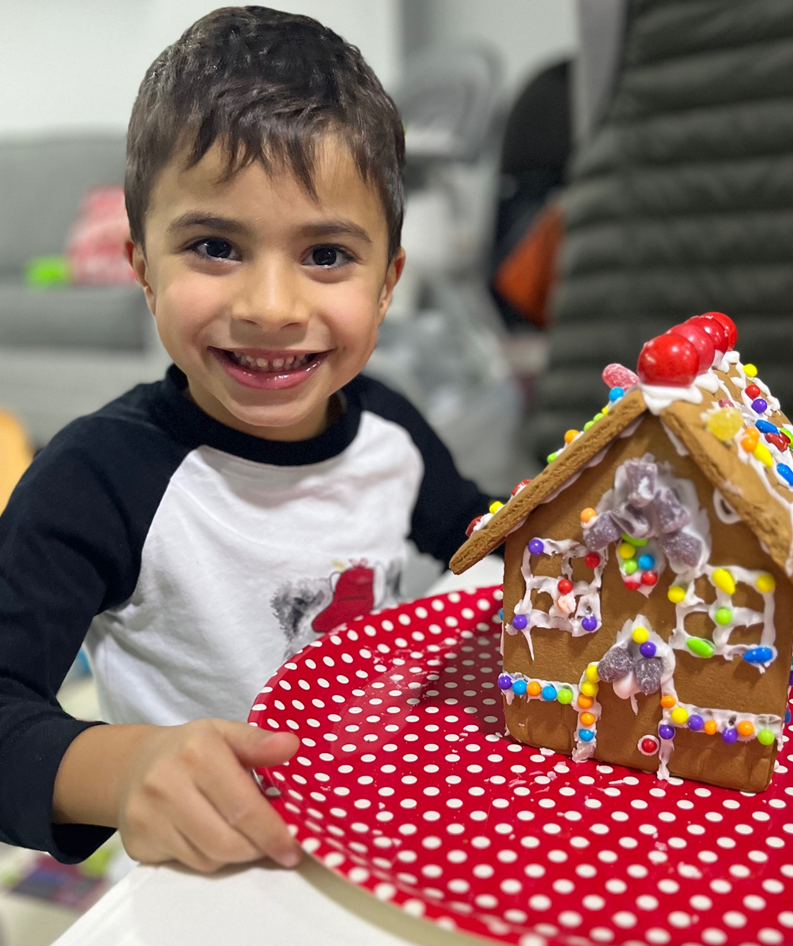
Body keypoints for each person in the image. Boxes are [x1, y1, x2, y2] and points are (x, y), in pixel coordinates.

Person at [0, 7, 491, 874]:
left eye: (328, 255)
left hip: (381, 835)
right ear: (144, 268)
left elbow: (479, 533)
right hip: (202, 874)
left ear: (387, 286)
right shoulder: (95, 478)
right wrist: (124, 772)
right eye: (215, 246)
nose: (271, 305)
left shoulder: (393, 431)